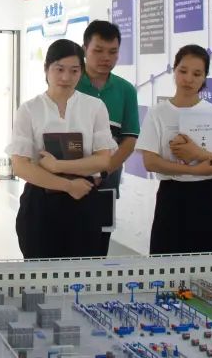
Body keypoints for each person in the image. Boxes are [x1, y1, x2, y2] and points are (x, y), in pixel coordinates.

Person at [6, 39, 118, 259]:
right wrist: (67, 185)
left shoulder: (95, 107)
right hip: (41, 202)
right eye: (59, 69)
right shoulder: (29, 110)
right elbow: (20, 166)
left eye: (74, 70)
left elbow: (103, 160)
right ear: (46, 69)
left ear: (81, 72)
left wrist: (58, 166)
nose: (66, 77)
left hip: (84, 198)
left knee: (83, 270)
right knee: (40, 271)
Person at [135, 44, 212, 255]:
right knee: (168, 264)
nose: (188, 79)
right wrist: (194, 170)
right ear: (174, 70)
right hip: (172, 197)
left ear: (205, 77)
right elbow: (150, 162)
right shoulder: (158, 113)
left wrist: (200, 154)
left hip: (208, 196)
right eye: (183, 71)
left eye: (197, 74)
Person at [76, 20, 140, 255]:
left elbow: (129, 139)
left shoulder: (126, 90)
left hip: (106, 184)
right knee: (65, 249)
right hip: (67, 182)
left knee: (98, 248)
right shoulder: (71, 84)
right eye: (98, 51)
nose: (106, 58)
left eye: (113, 52)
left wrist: (103, 171)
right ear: (85, 49)